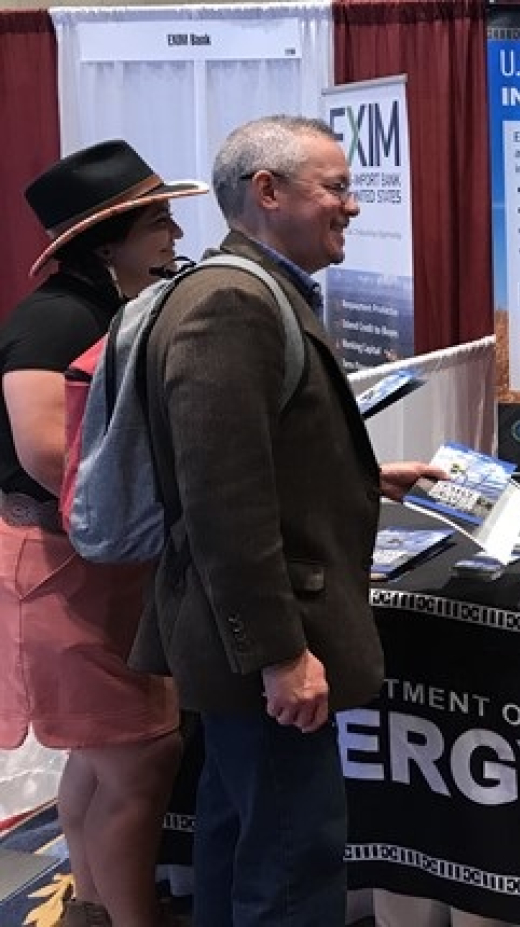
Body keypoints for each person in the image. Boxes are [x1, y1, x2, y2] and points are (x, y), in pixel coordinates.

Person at [127, 115, 443, 927]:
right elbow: (223, 500)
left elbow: (260, 457)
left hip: (247, 644)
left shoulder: (252, 291)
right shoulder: (231, 303)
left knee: (241, 847)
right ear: (267, 192)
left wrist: (365, 478)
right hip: (263, 649)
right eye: (336, 187)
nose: (354, 206)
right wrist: (279, 655)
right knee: (292, 868)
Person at [1, 140, 208, 927]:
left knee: (106, 754)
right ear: (107, 234)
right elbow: (47, 452)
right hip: (65, 566)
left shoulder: (109, 306)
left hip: (91, 563)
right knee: (138, 757)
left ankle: (94, 906)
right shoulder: (55, 317)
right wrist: (149, 515)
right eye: (156, 220)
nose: (171, 234)